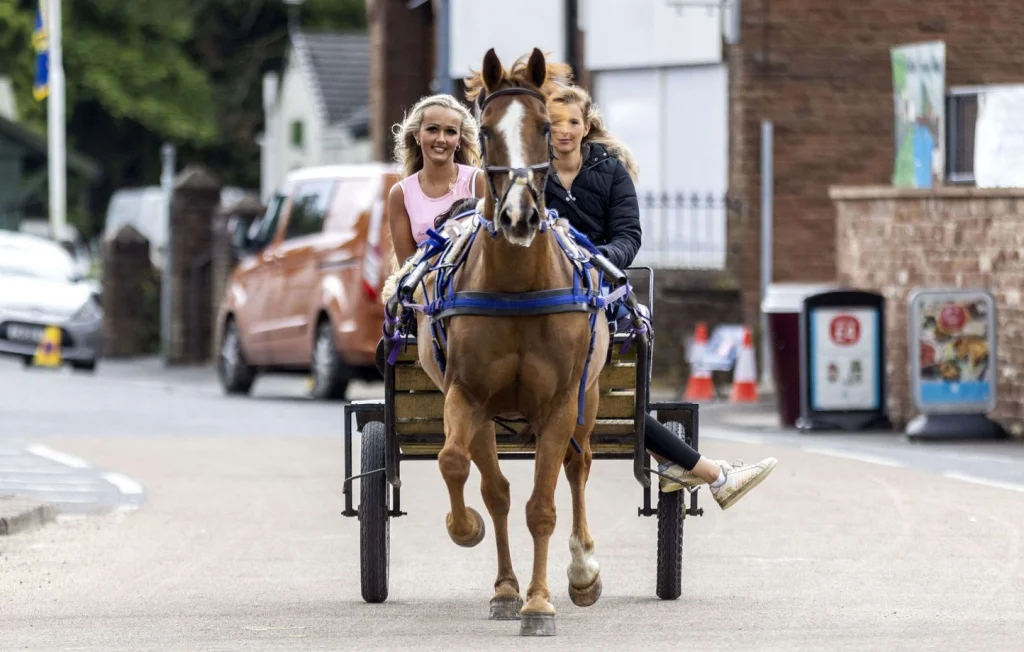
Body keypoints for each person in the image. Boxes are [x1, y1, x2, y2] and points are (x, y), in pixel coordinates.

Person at [542, 81, 777, 511]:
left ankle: (705, 470)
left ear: (586, 125)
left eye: (572, 122)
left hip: (598, 291)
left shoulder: (609, 172)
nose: (564, 131)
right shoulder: (531, 178)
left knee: (623, 381)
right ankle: (710, 472)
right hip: (542, 297)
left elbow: (629, 236)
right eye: (555, 123)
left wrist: (594, 260)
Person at [387, 93, 486, 266]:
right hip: (426, 289)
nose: (441, 139)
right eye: (432, 129)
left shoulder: (478, 181)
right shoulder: (400, 194)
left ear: (459, 140)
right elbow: (407, 269)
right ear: (417, 134)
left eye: (450, 131)